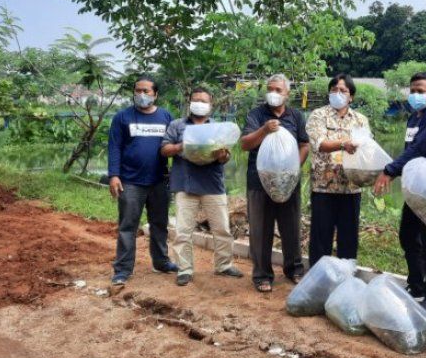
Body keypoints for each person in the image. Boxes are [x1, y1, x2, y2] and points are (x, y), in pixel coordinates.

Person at [374, 72, 426, 315]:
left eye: (421, 90)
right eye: (413, 90)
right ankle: (416, 286)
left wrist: (390, 170)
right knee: (408, 237)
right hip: (417, 190)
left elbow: (418, 150)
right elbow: (410, 150)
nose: (415, 95)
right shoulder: (415, 118)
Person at [161, 87, 242, 287]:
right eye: (196, 99)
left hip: (213, 184)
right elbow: (164, 150)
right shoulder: (177, 125)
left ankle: (224, 265)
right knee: (182, 231)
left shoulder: (218, 128)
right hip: (185, 185)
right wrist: (183, 145)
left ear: (210, 105)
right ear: (189, 102)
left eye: (203, 101)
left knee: (222, 229)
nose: (199, 103)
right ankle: (184, 269)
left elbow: (226, 157)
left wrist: (223, 156)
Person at [241, 74, 309, 293]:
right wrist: (264, 130)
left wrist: (293, 169)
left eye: (278, 90)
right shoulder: (256, 114)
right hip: (259, 182)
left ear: (287, 93)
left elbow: (304, 145)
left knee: (291, 227)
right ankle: (262, 274)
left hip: (289, 181)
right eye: (270, 89)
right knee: (260, 229)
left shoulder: (296, 116)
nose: (273, 93)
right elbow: (245, 144)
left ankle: (294, 269)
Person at [107, 76, 177, 286]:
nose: (142, 95)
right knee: (128, 226)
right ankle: (123, 269)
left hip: (159, 181)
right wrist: (114, 175)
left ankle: (161, 262)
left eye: (146, 91)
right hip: (130, 182)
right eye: (138, 90)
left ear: (155, 94)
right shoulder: (122, 117)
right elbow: (114, 147)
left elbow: (175, 144)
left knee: (159, 224)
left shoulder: (166, 116)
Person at [305, 74, 369, 264]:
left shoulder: (360, 120)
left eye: (343, 90)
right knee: (320, 238)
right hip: (323, 187)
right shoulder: (318, 115)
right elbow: (319, 143)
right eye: (334, 90)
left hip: (351, 187)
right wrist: (344, 144)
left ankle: (346, 281)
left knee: (348, 240)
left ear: (352, 97)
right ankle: (317, 282)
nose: (338, 93)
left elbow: (366, 148)